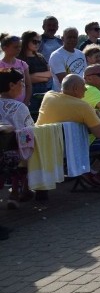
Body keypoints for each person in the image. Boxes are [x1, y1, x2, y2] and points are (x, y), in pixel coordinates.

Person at [0, 68, 35, 211]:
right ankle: (17, 192)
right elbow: (29, 131)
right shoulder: (19, 107)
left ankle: (21, 191)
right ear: (11, 85)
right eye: (21, 82)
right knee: (31, 147)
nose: (23, 86)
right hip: (10, 155)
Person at [18, 30, 51, 117]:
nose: (37, 44)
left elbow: (49, 74)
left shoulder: (40, 57)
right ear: (26, 41)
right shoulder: (19, 59)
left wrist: (33, 76)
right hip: (27, 95)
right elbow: (22, 79)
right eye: (34, 41)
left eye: (39, 42)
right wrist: (40, 77)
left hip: (43, 94)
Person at [47, 27, 86, 92]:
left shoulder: (81, 54)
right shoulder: (56, 55)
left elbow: (85, 74)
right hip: (64, 95)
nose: (72, 40)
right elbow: (64, 80)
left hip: (81, 92)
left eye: (74, 37)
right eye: (69, 37)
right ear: (63, 39)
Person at [0, 34, 31, 106]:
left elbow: (28, 85)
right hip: (4, 105)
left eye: (20, 47)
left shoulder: (23, 64)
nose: (19, 49)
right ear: (4, 48)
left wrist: (26, 102)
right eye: (15, 47)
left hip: (21, 104)